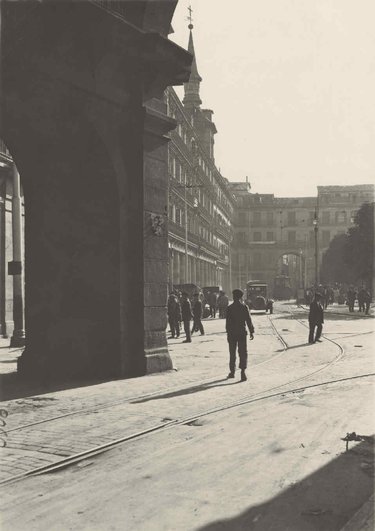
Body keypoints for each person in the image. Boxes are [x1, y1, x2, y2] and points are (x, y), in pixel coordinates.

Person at [226, 288, 255, 382]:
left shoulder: (229, 308)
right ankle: (243, 372)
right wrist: (251, 331)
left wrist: (228, 333)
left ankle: (232, 372)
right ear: (241, 297)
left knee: (232, 353)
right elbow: (248, 320)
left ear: (234, 297)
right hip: (242, 333)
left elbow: (227, 323)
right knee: (243, 352)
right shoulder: (244, 307)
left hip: (232, 334)